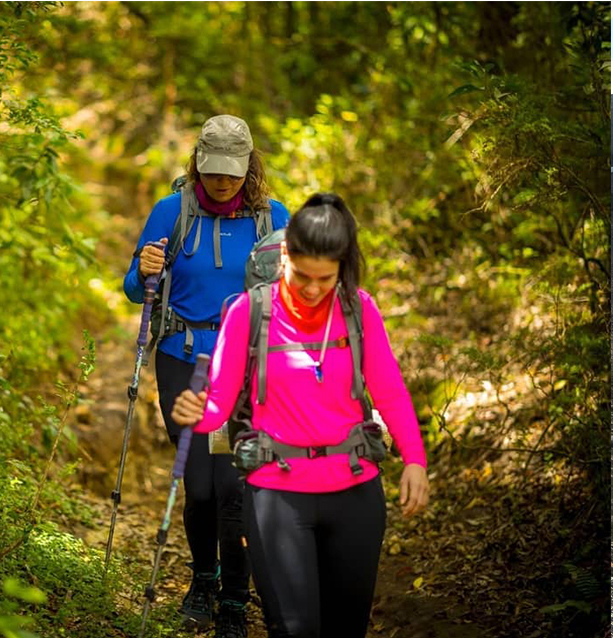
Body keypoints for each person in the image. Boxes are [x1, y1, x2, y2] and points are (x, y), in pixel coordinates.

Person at [170, 193, 429, 638]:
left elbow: (390, 392)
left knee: (345, 629)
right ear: (284, 253)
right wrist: (195, 413)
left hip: (356, 492)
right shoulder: (247, 312)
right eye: (301, 275)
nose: (311, 289)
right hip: (277, 495)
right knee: (294, 628)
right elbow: (219, 406)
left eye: (325, 278)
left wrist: (415, 460)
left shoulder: (359, 308)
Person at [123, 115, 289, 638]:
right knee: (198, 487)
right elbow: (134, 288)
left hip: (247, 363)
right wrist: (145, 268)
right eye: (213, 170)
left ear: (248, 168)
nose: (221, 181)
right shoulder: (172, 212)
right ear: (197, 161)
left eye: (232, 173)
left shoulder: (273, 218)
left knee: (233, 486)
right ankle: (204, 578)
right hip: (182, 357)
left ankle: (237, 599)